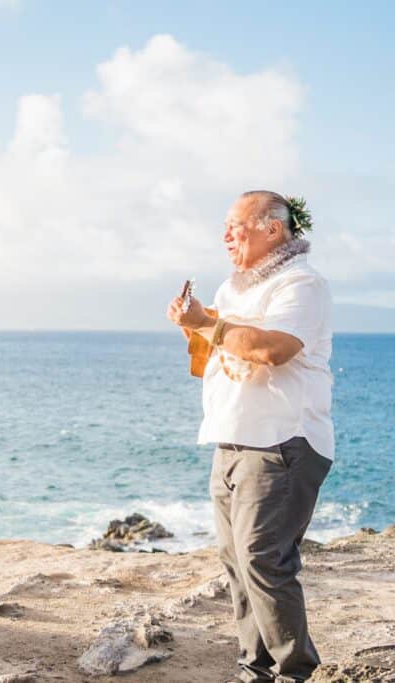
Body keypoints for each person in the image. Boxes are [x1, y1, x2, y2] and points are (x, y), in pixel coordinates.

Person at [167, 191, 333, 683]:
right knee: (237, 562)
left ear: (272, 230)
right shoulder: (232, 287)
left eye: (235, 226)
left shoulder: (301, 284)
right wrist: (190, 325)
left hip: (283, 439)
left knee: (264, 559)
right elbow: (207, 360)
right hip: (231, 436)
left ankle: (295, 672)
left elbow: (272, 349)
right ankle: (254, 668)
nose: (225, 236)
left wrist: (206, 324)